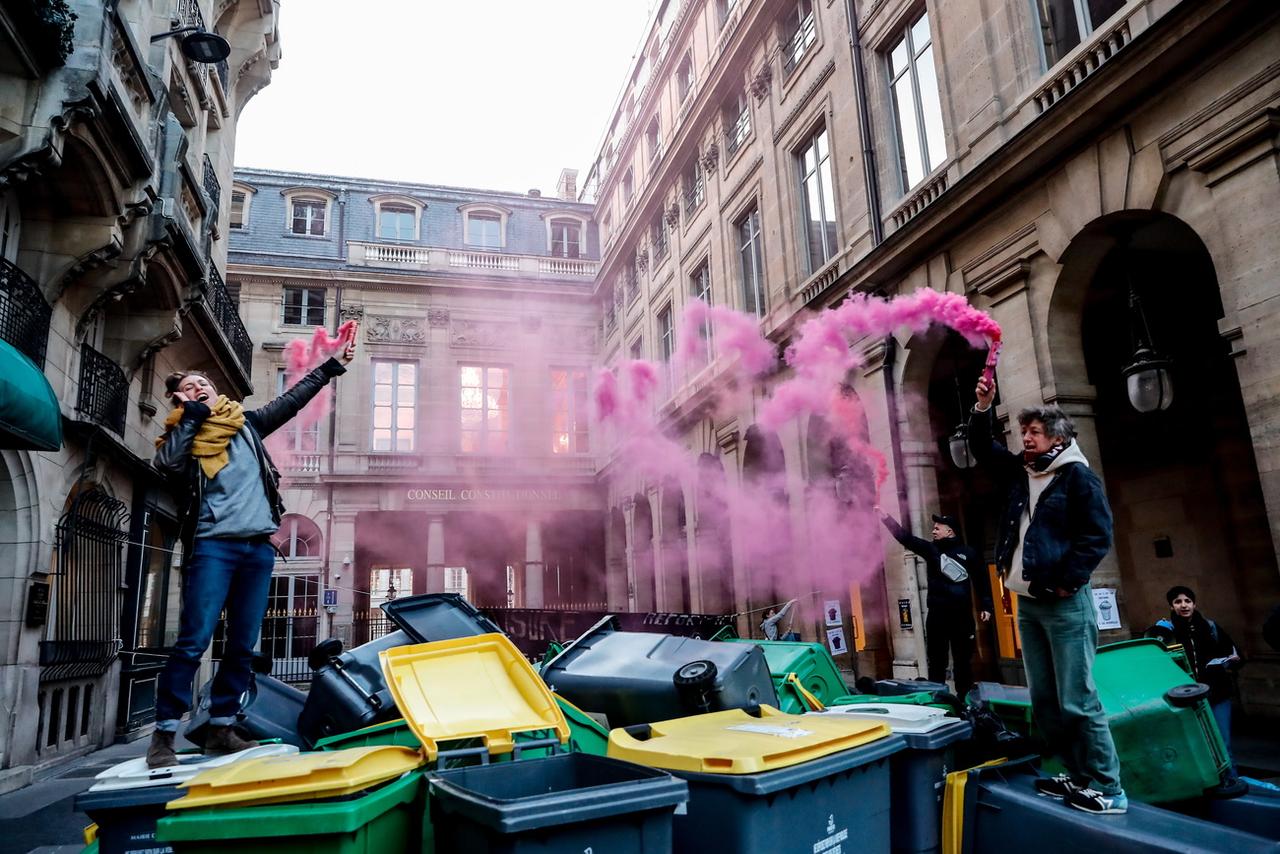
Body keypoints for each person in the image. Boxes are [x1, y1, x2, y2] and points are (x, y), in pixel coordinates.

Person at [147, 335, 356, 768]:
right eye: (189, 387)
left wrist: (330, 366)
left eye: (203, 382)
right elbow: (165, 466)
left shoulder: (245, 425)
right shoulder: (183, 440)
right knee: (193, 641)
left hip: (257, 548)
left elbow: (291, 400)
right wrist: (192, 418)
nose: (199, 387)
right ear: (178, 400)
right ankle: (164, 734)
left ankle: (222, 726)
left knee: (242, 644)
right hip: (213, 547)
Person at [969, 376, 1126, 815]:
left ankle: (1109, 788)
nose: (1026, 439)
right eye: (1024, 433)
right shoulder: (1025, 472)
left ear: (1057, 437)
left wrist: (1069, 581)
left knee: (1077, 698)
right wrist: (983, 406)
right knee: (1044, 698)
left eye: (1034, 433)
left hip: (1063, 603)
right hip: (1029, 603)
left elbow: (1098, 536)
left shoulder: (1077, 477)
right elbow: (985, 450)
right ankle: (1076, 775)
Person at [877, 508, 993, 700]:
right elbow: (905, 538)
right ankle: (938, 700)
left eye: (938, 528)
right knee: (937, 663)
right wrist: (886, 518)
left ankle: (964, 701)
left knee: (963, 662)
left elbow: (982, 581)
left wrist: (987, 606)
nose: (933, 531)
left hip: (961, 617)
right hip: (937, 616)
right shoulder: (931, 550)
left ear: (950, 531)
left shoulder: (968, 553)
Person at [1147, 586, 1242, 763]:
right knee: (1197, 744)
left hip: (1217, 693)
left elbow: (1233, 652)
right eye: (1178, 602)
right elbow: (1155, 661)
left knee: (1222, 742)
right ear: (1171, 606)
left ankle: (1230, 781)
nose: (1183, 605)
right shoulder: (1167, 632)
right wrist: (1158, 633)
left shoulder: (1210, 627)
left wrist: (1233, 659)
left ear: (1194, 604)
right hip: (1185, 696)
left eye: (1187, 601)